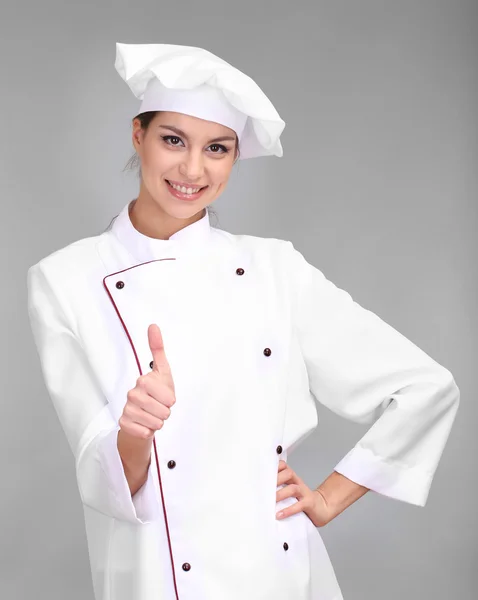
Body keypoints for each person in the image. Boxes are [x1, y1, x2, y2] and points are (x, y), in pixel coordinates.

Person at [26, 42, 460, 600]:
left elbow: (426, 388)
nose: (192, 169)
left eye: (217, 148)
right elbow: (106, 480)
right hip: (155, 574)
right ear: (138, 136)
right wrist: (135, 431)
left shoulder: (275, 269)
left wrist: (329, 496)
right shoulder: (65, 279)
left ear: (234, 159)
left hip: (274, 572)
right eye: (173, 140)